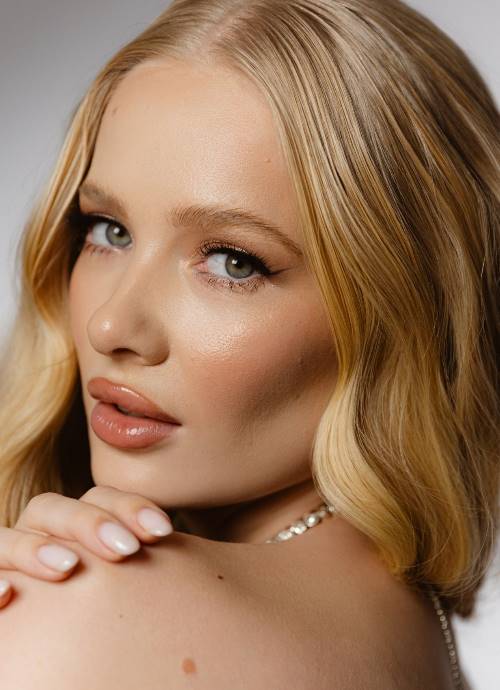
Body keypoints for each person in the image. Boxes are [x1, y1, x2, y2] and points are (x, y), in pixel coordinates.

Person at [0, 0, 497, 687]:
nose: (111, 328)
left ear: (401, 313)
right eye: (109, 230)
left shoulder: (84, 609)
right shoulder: (411, 629)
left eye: (234, 262)